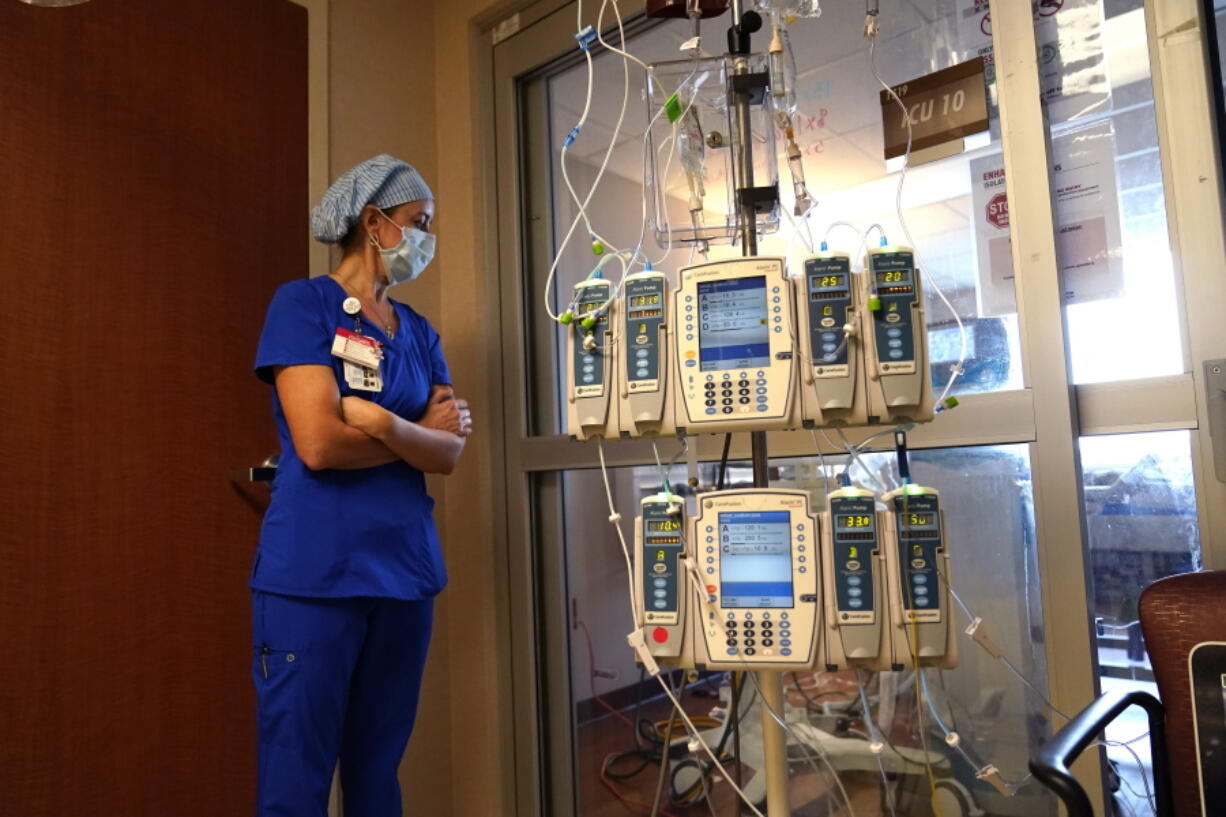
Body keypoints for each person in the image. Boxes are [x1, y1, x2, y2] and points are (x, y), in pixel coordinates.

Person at [249, 154, 471, 817]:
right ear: (374, 222)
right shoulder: (303, 305)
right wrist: (414, 434)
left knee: (378, 775)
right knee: (297, 779)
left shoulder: (420, 333)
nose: (428, 238)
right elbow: (317, 443)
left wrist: (375, 421)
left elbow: (451, 451)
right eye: (419, 222)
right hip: (314, 577)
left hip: (404, 576)